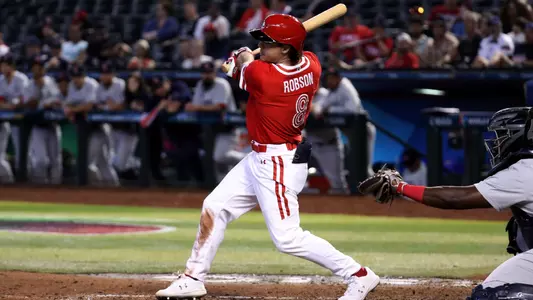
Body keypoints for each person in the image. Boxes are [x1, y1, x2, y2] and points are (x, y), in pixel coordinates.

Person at [155, 14, 379, 300]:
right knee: (215, 206)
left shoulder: (264, 77)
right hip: (264, 156)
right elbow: (248, 65)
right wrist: (244, 59)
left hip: (278, 163)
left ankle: (359, 275)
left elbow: (242, 69)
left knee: (287, 238)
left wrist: (240, 58)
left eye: (268, 41)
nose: (261, 45)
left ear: (286, 48)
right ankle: (193, 277)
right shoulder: (312, 63)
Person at [358, 106, 533, 300]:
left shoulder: (523, 170)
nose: (497, 141)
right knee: (519, 229)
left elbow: (456, 198)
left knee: (491, 296)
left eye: (503, 134)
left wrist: (400, 187)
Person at [308, 68, 376, 193]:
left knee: (364, 169)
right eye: (327, 79)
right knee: (356, 167)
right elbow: (321, 108)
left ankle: (382, 191)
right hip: (351, 134)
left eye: (331, 79)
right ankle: (372, 193)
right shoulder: (333, 91)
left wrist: (330, 110)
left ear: (337, 78)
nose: (328, 82)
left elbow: (353, 110)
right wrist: (320, 109)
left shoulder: (345, 86)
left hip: (363, 131)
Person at [63, 64, 117, 186]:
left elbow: (89, 105)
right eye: (74, 76)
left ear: (84, 76)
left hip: (99, 128)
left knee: (89, 163)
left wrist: (74, 110)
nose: (76, 79)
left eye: (79, 76)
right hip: (87, 129)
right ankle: (109, 188)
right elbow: (67, 105)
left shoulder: (91, 84)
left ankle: (106, 189)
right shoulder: (72, 86)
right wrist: (75, 109)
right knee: (102, 164)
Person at [185, 61, 237, 183]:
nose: (207, 75)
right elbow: (195, 105)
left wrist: (197, 108)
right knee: (217, 162)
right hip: (211, 129)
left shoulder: (222, 84)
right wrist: (197, 107)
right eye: (204, 73)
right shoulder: (200, 85)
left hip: (227, 127)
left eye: (209, 72)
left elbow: (219, 107)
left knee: (220, 156)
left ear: (214, 73)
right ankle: (223, 188)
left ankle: (249, 159)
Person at [25, 55, 62, 184]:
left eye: (40, 68)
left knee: (55, 160)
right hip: (38, 126)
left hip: (52, 124)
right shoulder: (29, 85)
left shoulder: (51, 82)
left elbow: (58, 101)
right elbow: (29, 103)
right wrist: (41, 102)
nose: (38, 71)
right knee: (40, 160)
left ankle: (56, 187)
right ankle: (41, 187)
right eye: (35, 68)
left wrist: (48, 103)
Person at [96, 62, 132, 183]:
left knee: (119, 164)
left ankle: (133, 171)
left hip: (128, 130)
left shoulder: (120, 84)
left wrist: (107, 107)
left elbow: (120, 106)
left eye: (108, 74)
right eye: (103, 74)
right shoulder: (100, 86)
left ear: (113, 74)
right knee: (111, 163)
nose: (105, 76)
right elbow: (97, 105)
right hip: (112, 128)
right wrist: (108, 106)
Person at [0, 54, 29, 177]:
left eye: (5, 65)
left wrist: (11, 104)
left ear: (12, 66)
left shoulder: (21, 78)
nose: (2, 67)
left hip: (22, 120)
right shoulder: (1, 80)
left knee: (22, 151)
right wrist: (9, 105)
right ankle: (10, 181)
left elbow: (24, 99)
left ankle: (26, 178)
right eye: (1, 65)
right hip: (4, 119)